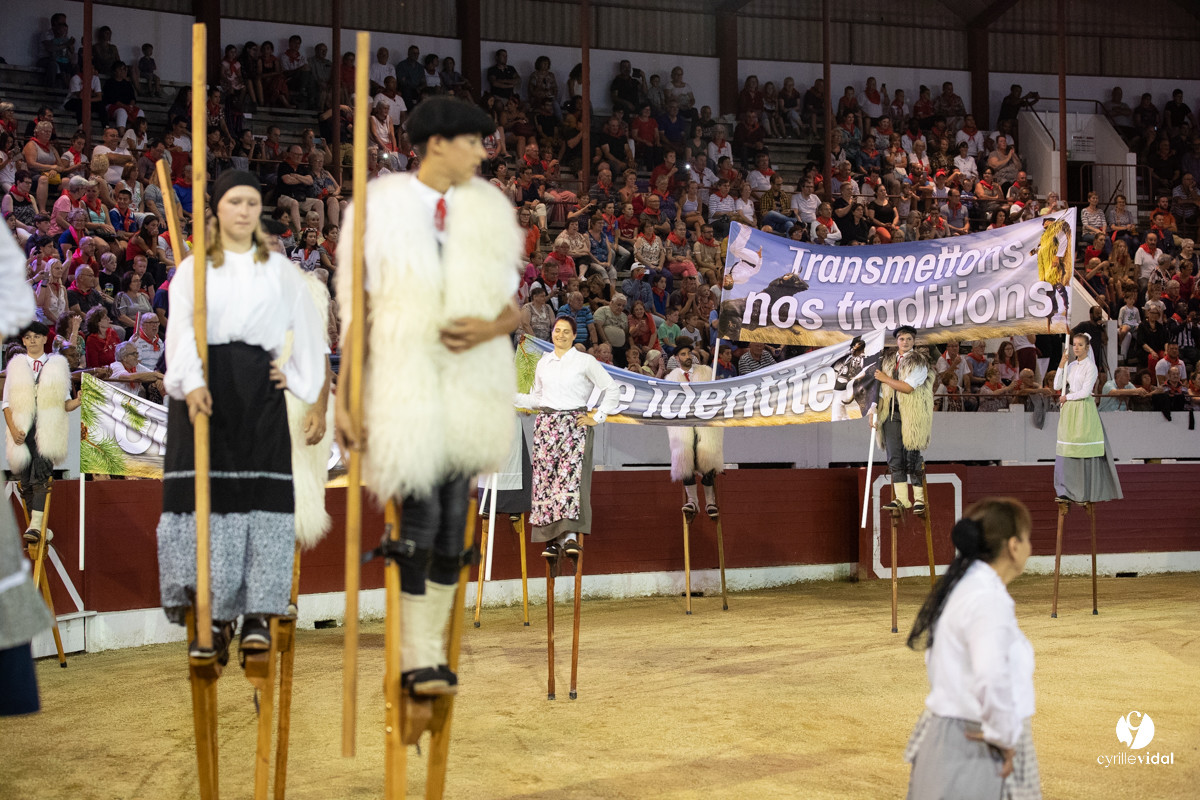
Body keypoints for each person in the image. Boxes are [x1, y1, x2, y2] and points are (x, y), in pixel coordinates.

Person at [334, 97, 521, 698]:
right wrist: (345, 396)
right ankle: (416, 659)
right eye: (473, 141)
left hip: (467, 384)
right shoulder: (381, 208)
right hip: (405, 378)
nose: (481, 152)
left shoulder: (488, 212)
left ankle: (432, 655)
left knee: (453, 527)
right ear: (436, 143)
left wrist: (490, 329)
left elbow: (512, 305)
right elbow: (356, 309)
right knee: (421, 516)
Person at [157, 170, 327, 661]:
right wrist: (190, 384)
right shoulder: (192, 271)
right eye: (235, 202)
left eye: (253, 202)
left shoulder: (279, 272)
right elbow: (181, 333)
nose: (245, 211)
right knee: (209, 505)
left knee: (259, 503)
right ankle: (211, 613)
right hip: (203, 386)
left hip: (258, 388)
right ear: (216, 211)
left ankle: (256, 613)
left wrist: (298, 382)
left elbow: (310, 336)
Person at [904, 498, 1040, 800]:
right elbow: (991, 676)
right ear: (1013, 546)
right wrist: (1004, 735)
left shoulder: (964, 588)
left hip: (954, 736)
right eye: (1028, 538)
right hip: (976, 742)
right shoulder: (986, 598)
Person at [516, 316, 620, 558]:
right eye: (556, 330)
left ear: (574, 335)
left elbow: (611, 388)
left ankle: (570, 536)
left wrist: (598, 416)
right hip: (546, 424)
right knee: (545, 481)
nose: (560, 335)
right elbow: (537, 398)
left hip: (574, 425)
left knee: (570, 479)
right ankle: (551, 540)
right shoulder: (544, 362)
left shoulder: (585, 361)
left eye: (565, 331)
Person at [871, 326, 936, 514]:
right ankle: (901, 498)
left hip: (912, 414)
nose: (905, 342)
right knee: (894, 455)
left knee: (912, 455)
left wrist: (884, 377)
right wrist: (873, 413)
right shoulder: (888, 361)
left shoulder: (920, 361)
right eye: (902, 339)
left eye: (908, 339)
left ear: (913, 341)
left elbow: (908, 388)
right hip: (891, 413)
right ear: (897, 341)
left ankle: (919, 499)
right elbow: (882, 392)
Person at [1054, 333, 1122, 504]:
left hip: (1083, 406)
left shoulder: (1090, 367)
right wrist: (1061, 366)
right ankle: (1066, 489)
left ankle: (1084, 489)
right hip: (1069, 408)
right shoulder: (1071, 366)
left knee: (1083, 447)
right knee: (1066, 448)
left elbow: (1085, 391)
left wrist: (1067, 398)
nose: (1076, 348)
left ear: (1087, 347)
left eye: (1080, 345)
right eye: (1074, 345)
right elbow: (1057, 385)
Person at [665, 339, 723, 517]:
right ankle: (693, 502)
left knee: (707, 457)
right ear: (677, 358)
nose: (687, 357)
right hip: (683, 423)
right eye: (683, 354)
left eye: (689, 353)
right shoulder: (671, 379)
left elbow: (716, 393)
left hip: (704, 422)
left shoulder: (706, 373)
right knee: (684, 459)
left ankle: (710, 503)